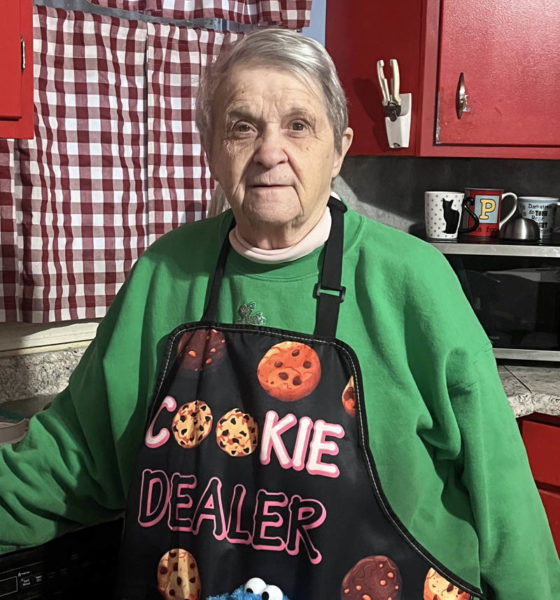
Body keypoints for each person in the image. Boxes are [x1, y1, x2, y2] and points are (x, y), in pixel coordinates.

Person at [0, 28, 558, 600]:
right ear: (211, 146)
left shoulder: (413, 280)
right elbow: (74, 458)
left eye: (298, 125)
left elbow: (502, 494)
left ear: (339, 147)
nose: (270, 151)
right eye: (243, 126)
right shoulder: (165, 273)